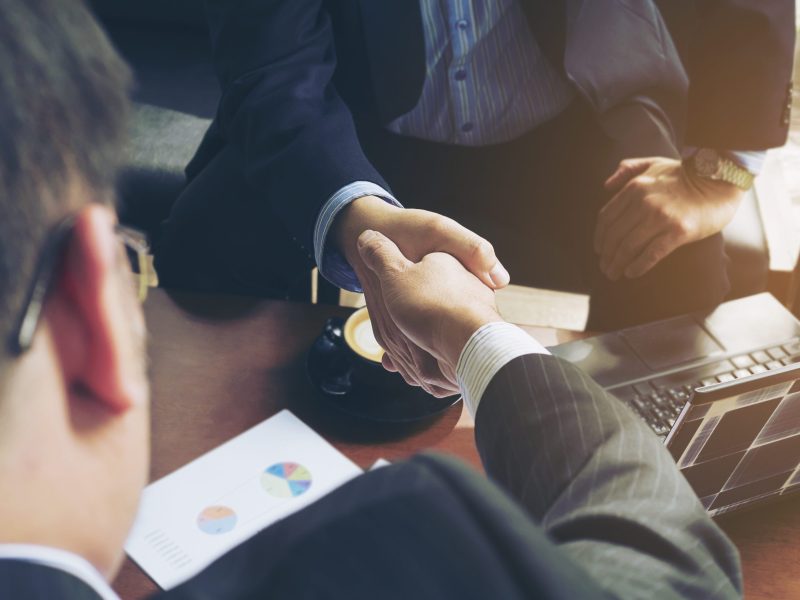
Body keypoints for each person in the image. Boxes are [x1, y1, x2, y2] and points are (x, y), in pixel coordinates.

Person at [1, 2, 742, 598]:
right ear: (99, 301)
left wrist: (722, 167)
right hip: (352, 125)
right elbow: (678, 569)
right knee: (207, 234)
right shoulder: (409, 539)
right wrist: (477, 337)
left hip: (564, 131)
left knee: (678, 260)